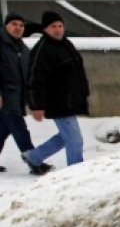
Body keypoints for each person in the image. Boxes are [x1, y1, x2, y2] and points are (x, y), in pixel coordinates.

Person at [23, 10, 90, 173]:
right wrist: (36, 105)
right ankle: (75, 173)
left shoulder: (66, 44)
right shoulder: (43, 49)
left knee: (65, 137)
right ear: (45, 29)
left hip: (70, 99)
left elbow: (77, 70)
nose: (58, 29)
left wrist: (84, 91)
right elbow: (34, 79)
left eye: (60, 26)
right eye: (53, 26)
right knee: (75, 140)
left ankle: (33, 157)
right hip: (57, 101)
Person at [0, 12, 37, 174]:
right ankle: (35, 161)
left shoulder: (22, 48)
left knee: (2, 130)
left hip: (17, 97)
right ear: (6, 26)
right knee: (20, 130)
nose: (18, 28)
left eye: (21, 25)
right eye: (14, 24)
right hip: (5, 97)